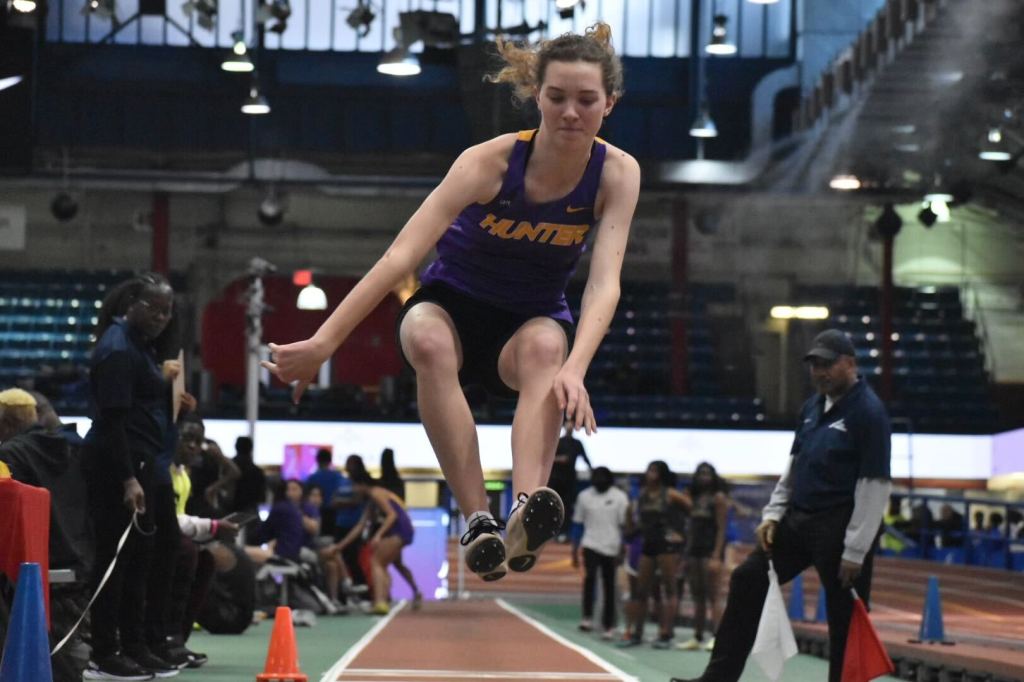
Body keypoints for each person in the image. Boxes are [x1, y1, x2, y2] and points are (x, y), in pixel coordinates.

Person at [261, 23, 640, 582]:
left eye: (586, 100)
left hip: (530, 319)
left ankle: (526, 511)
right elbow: (400, 257)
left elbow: (605, 282)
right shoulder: (487, 163)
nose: (569, 113)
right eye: (556, 97)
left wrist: (576, 369)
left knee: (547, 350)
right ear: (536, 95)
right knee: (428, 338)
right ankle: (477, 519)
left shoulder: (617, 173)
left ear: (609, 103)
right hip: (453, 304)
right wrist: (324, 343)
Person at [672, 329, 892, 682]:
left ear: (850, 364)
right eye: (814, 365)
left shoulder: (869, 412)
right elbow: (793, 467)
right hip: (799, 520)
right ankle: (718, 679)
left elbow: (875, 484)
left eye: (827, 364)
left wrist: (856, 548)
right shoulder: (811, 408)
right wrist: (773, 514)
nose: (819, 372)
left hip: (840, 525)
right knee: (747, 578)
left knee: (845, 618)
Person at [81, 271, 185, 680]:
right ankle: (104, 653)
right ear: (131, 305)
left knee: (139, 560)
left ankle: (134, 645)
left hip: (142, 463)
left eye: (167, 310)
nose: (161, 317)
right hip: (117, 467)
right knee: (115, 561)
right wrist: (128, 479)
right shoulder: (117, 349)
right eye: (153, 308)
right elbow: (112, 423)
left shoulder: (139, 346)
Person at [619, 460, 690, 649]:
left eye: (655, 470)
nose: (650, 473)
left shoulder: (671, 494)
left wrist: (680, 534)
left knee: (669, 589)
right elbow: (636, 521)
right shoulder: (642, 495)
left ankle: (665, 634)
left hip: (667, 546)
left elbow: (693, 513)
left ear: (662, 474)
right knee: (641, 591)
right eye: (649, 470)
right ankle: (637, 633)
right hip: (649, 544)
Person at [332, 471, 420, 614]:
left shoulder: (376, 493)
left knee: (376, 562)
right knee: (395, 564)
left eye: (354, 486)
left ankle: (380, 602)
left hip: (399, 529)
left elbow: (392, 515)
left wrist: (378, 535)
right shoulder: (371, 501)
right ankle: (409, 593)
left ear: (362, 484)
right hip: (402, 529)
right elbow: (360, 526)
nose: (353, 490)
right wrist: (340, 546)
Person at [570, 466, 628, 640]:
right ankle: (587, 617)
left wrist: (623, 548)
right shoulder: (584, 496)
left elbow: (624, 525)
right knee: (589, 580)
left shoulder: (619, 497)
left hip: (611, 546)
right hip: (590, 543)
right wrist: (574, 550)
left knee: (609, 586)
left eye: (603, 478)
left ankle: (608, 625)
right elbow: (578, 523)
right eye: (596, 477)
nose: (599, 481)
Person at [676, 462, 728, 652]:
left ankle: (717, 637)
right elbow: (690, 528)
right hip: (694, 550)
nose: (703, 477)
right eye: (700, 473)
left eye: (707, 473)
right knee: (698, 595)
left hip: (710, 550)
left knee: (714, 596)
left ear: (713, 477)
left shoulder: (718, 498)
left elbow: (721, 528)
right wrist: (685, 554)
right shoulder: (694, 499)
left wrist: (716, 555)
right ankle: (697, 636)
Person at [551, 417, 593, 538]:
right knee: (555, 506)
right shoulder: (558, 442)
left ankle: (566, 532)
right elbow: (548, 458)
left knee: (568, 506)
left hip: (570, 480)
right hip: (556, 479)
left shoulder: (577, 443)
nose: (570, 426)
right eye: (568, 424)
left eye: (571, 424)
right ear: (564, 426)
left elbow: (585, 458)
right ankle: (555, 532)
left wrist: (593, 471)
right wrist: (560, 459)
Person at [306, 448, 345, 537]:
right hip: (335, 513)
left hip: (317, 512)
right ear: (330, 461)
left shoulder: (313, 478)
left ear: (317, 460)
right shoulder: (338, 476)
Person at [230, 436, 266, 515]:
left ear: (235, 447)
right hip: (250, 510)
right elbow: (262, 496)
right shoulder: (257, 471)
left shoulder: (228, 467)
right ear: (251, 449)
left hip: (229, 509)